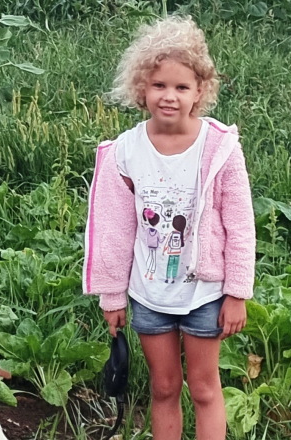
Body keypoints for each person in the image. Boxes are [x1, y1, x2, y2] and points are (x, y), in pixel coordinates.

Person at [82, 15, 255, 440]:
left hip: (205, 295)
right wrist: (112, 295)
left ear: (201, 90)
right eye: (159, 85)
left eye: (181, 87)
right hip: (150, 294)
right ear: (141, 88)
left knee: (204, 388)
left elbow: (239, 223)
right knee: (163, 387)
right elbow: (114, 228)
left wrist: (237, 293)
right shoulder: (125, 151)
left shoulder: (220, 148)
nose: (170, 96)